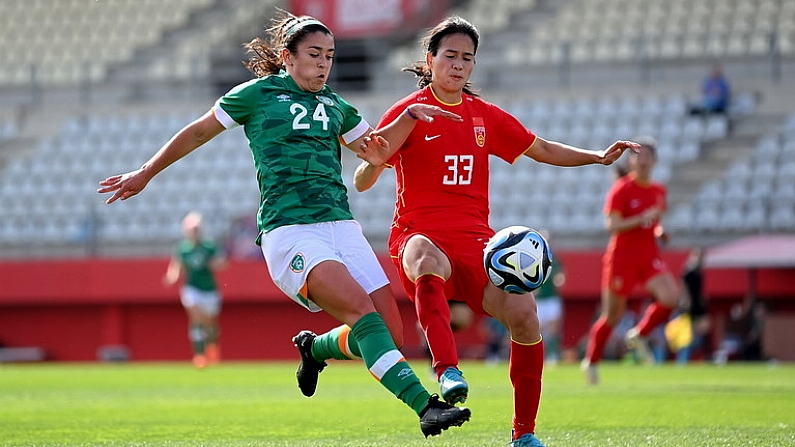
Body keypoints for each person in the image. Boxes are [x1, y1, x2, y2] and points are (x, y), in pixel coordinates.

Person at [97, 10, 470, 437]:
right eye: (314, 54)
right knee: (362, 313)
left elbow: (375, 154)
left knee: (390, 332)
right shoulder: (257, 95)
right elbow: (199, 132)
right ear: (287, 57)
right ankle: (425, 406)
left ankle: (315, 348)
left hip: (341, 226)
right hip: (290, 229)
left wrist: (410, 118)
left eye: (330, 55)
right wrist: (145, 172)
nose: (324, 64)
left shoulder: (335, 105)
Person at [350, 16, 638, 447]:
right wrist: (375, 160)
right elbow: (362, 177)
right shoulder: (411, 110)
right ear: (430, 60)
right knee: (427, 260)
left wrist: (596, 156)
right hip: (416, 231)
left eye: (468, 58)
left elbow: (539, 147)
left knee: (524, 315)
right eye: (450, 56)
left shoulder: (484, 116)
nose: (459, 65)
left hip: (476, 241)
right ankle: (446, 370)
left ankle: (524, 434)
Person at [581, 136, 680, 385]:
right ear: (631, 161)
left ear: (655, 161)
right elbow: (612, 225)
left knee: (671, 297)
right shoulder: (622, 189)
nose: (643, 160)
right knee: (612, 316)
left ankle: (639, 334)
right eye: (638, 155)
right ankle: (591, 362)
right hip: (622, 259)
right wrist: (641, 218)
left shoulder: (659, 191)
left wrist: (659, 231)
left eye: (647, 155)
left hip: (648, 256)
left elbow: (654, 222)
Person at [164, 211, 227, 368]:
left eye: (197, 229)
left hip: (209, 290)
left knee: (209, 323)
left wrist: (216, 264)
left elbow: (222, 262)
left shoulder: (209, 246)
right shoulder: (183, 249)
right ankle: (199, 355)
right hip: (192, 288)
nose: (195, 232)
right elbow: (177, 265)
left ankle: (212, 345)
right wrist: (172, 276)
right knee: (196, 317)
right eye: (192, 229)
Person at [533, 231, 565, 364]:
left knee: (553, 329)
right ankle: (538, 356)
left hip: (551, 298)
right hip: (539, 301)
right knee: (537, 330)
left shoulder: (554, 259)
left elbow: (560, 275)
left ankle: (553, 355)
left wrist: (559, 279)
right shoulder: (534, 258)